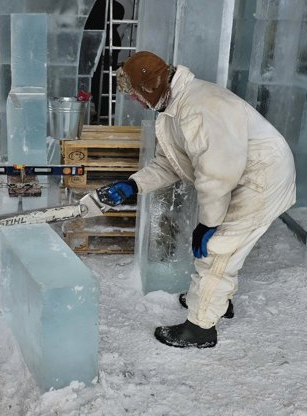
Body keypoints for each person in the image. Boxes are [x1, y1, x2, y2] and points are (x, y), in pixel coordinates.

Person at [100, 51, 296, 348]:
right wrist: (133, 184)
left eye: (136, 94)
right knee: (223, 244)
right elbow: (170, 163)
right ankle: (217, 299)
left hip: (262, 175)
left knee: (218, 248)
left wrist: (208, 225)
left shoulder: (198, 109)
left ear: (151, 88)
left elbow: (216, 177)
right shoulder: (172, 107)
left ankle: (201, 327)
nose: (135, 101)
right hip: (241, 172)